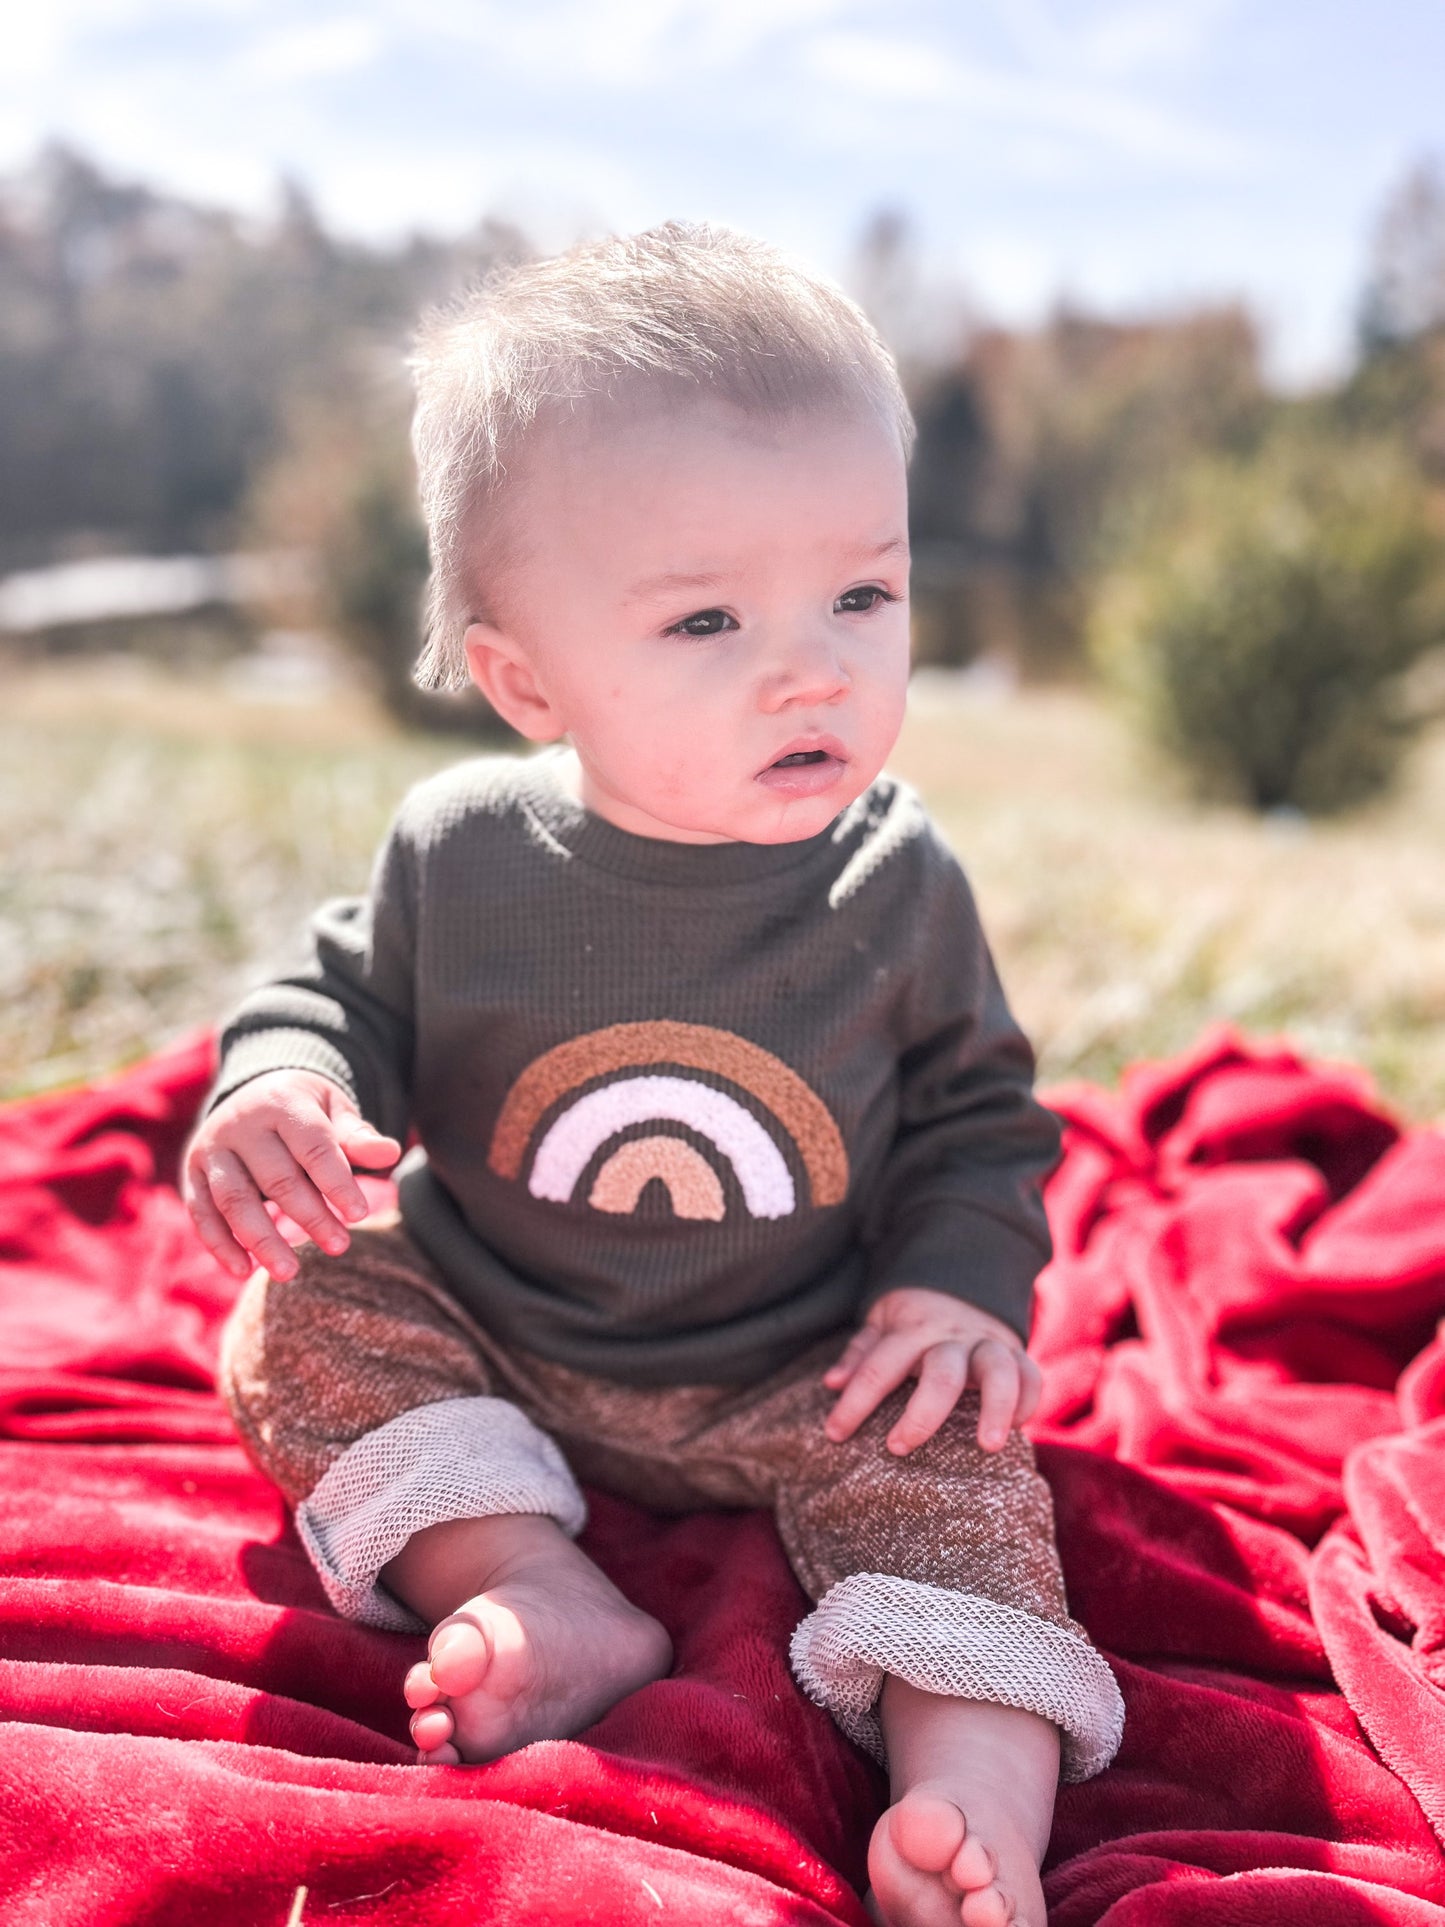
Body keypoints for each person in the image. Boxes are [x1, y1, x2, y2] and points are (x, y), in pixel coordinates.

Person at [184, 223, 1123, 1927]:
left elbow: (981, 1117)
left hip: (801, 1363)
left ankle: (971, 1789)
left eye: (862, 591)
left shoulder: (894, 879)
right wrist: (283, 1089)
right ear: (529, 680)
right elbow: (330, 1002)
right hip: (495, 1318)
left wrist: (949, 1286)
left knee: (963, 1459)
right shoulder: (459, 854)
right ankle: (530, 1584)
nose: (812, 665)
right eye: (705, 617)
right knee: (296, 1317)